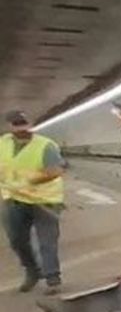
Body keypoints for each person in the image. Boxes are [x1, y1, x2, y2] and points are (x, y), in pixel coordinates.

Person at [1, 110, 67, 294]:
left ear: (31, 124)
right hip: (14, 200)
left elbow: (56, 171)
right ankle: (32, 271)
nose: (21, 127)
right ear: (9, 125)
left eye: (24, 123)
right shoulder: (3, 143)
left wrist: (30, 180)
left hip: (45, 201)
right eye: (16, 124)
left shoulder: (45, 146)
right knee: (17, 240)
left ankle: (53, 279)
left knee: (47, 241)